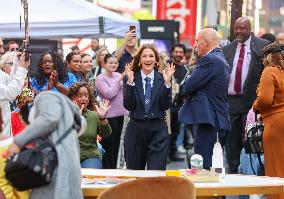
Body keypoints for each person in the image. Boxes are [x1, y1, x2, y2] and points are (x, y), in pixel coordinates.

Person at [5, 91, 86, 199]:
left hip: (58, 170)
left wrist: (18, 142)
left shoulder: (45, 97)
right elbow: (82, 125)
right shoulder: (67, 112)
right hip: (69, 169)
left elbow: (49, 119)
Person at [222, 17, 270, 173]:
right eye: (236, 28)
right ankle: (233, 174)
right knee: (230, 143)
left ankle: (250, 177)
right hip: (230, 103)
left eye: (242, 28)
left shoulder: (262, 47)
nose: (238, 31)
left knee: (250, 143)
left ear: (250, 28)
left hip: (251, 104)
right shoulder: (228, 49)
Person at [179, 28, 231, 170]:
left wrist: (189, 77)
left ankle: (208, 193)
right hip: (216, 120)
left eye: (197, 41)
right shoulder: (220, 58)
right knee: (215, 166)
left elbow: (188, 86)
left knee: (205, 169)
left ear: (205, 42)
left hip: (209, 123)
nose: (195, 45)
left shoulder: (209, 60)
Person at [123, 44, 175, 170]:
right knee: (135, 174)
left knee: (156, 175)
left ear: (156, 60)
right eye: (144, 56)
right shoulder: (131, 77)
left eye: (151, 56)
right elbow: (128, 105)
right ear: (139, 60)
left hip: (158, 129)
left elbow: (165, 105)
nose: (148, 59)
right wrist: (130, 83)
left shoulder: (163, 78)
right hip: (135, 129)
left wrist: (167, 83)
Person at [253, 42, 284, 199]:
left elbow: (265, 100)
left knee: (275, 171)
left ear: (269, 56)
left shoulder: (270, 71)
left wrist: (255, 105)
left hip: (276, 123)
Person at [95, 54, 128, 169]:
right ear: (104, 63)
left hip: (121, 114)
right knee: (108, 145)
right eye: (111, 62)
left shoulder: (118, 75)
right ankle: (107, 169)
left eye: (115, 63)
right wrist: (119, 80)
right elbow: (109, 94)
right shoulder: (100, 78)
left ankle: (113, 169)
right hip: (108, 116)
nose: (113, 65)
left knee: (116, 145)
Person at [69, 82, 111, 169]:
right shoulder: (65, 114)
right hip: (69, 156)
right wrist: (75, 117)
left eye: (86, 95)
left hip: (90, 155)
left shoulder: (94, 115)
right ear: (72, 98)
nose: (84, 98)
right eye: (79, 96)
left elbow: (106, 134)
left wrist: (102, 117)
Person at [167, 43, 189, 161]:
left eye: (181, 52)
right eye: (176, 52)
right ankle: (165, 155)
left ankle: (172, 153)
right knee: (166, 131)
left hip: (179, 105)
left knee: (176, 130)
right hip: (166, 105)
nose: (178, 54)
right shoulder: (166, 66)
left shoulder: (186, 70)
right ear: (172, 53)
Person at [0, 53, 29, 136]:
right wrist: (22, 69)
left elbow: (11, 81)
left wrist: (17, 62)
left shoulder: (3, 75)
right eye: (0, 47)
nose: (2, 50)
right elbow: (10, 93)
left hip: (6, 132)